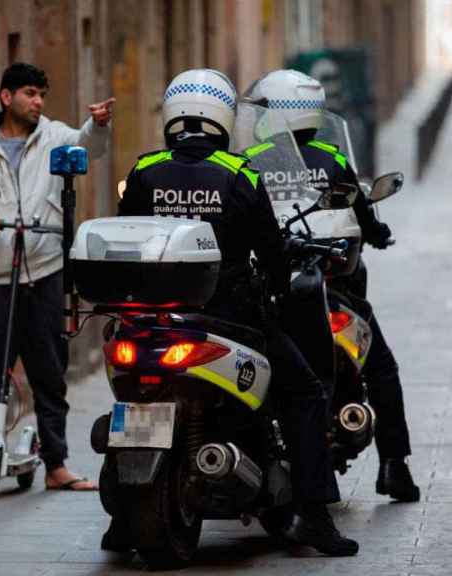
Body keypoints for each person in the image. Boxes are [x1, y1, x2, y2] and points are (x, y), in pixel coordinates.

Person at [108, 68, 358, 557]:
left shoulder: (144, 170)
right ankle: (315, 514)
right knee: (306, 394)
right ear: (224, 116)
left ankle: (122, 521)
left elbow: (127, 237)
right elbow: (270, 252)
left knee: (129, 398)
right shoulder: (240, 174)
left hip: (152, 321)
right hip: (230, 318)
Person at [0, 62, 115, 495]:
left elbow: (89, 146)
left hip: (44, 272)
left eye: (41, 95)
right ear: (6, 96)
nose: (38, 102)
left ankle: (57, 464)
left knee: (50, 373)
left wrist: (98, 124)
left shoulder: (53, 136)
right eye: (30, 93)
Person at [242, 69, 420, 503]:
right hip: (327, 285)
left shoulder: (252, 161)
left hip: (269, 286)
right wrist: (377, 233)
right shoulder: (334, 160)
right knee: (380, 366)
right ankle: (394, 466)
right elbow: (364, 218)